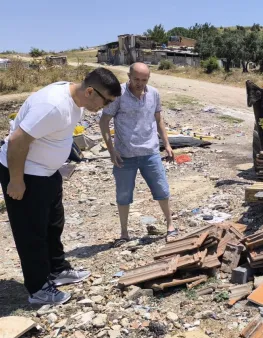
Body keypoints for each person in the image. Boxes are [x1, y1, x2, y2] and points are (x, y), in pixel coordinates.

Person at [0, 68, 122, 305]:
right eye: (105, 101)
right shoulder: (53, 106)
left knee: (53, 224)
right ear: (90, 91)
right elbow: (17, 141)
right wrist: (16, 181)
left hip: (46, 173)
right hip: (25, 173)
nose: (105, 107)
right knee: (31, 232)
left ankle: (57, 270)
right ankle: (38, 289)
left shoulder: (74, 99)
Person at [99, 62, 176, 247]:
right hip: (124, 155)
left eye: (144, 79)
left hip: (150, 152)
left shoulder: (154, 94)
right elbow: (104, 121)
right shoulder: (118, 95)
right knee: (123, 195)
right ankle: (124, 233)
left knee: (162, 190)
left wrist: (166, 143)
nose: (140, 83)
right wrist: (111, 151)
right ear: (128, 76)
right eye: (136, 79)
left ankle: (171, 226)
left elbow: (158, 119)